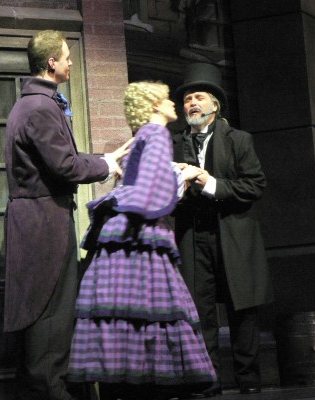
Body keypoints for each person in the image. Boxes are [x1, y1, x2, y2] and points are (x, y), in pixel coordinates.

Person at [67, 81, 217, 400]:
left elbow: (134, 179)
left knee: (126, 308)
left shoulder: (142, 136)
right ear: (153, 105)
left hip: (121, 232)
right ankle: (150, 381)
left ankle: (123, 380)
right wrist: (183, 176)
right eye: (166, 99)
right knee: (152, 307)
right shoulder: (157, 133)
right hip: (140, 234)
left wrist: (170, 172)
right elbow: (152, 190)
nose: (173, 103)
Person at [4, 30, 130, 400]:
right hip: (43, 221)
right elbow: (65, 165)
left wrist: (103, 160)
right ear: (51, 63)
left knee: (50, 304)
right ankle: (50, 389)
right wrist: (105, 165)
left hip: (40, 217)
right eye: (67, 56)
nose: (71, 62)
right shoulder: (40, 108)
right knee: (50, 307)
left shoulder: (34, 104)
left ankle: (49, 386)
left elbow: (62, 159)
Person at [172, 62, 274, 396]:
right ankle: (208, 379)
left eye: (199, 97)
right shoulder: (176, 143)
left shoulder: (238, 140)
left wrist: (210, 183)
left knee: (241, 308)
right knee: (200, 310)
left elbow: (254, 185)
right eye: (187, 99)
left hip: (233, 233)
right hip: (194, 234)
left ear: (215, 105)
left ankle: (249, 380)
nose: (192, 103)